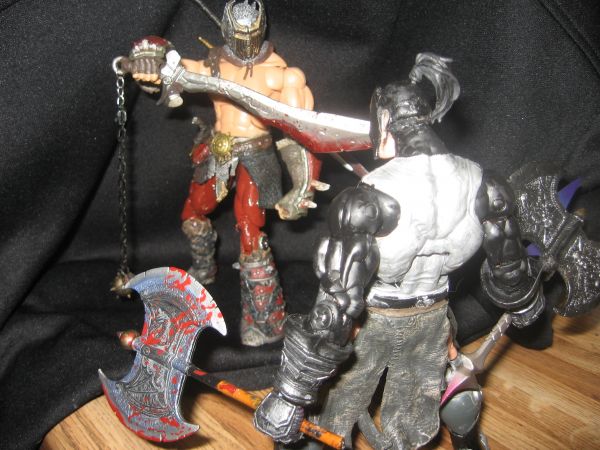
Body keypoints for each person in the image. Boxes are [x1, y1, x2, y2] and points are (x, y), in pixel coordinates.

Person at [253, 54, 546, 449]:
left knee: (328, 423)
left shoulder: (367, 200)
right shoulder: (485, 185)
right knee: (414, 426)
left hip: (375, 325)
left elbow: (335, 306)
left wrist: (290, 395)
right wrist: (526, 302)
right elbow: (510, 268)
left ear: (385, 124)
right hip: (433, 318)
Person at [127, 0, 322, 346]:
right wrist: (150, 60)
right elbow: (173, 69)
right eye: (239, 34)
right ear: (228, 31)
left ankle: (266, 320)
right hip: (218, 150)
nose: (246, 42)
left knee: (250, 229)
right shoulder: (214, 63)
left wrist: (301, 185)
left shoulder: (282, 75)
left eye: (251, 34)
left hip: (256, 153)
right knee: (193, 212)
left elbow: (302, 133)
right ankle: (204, 267)